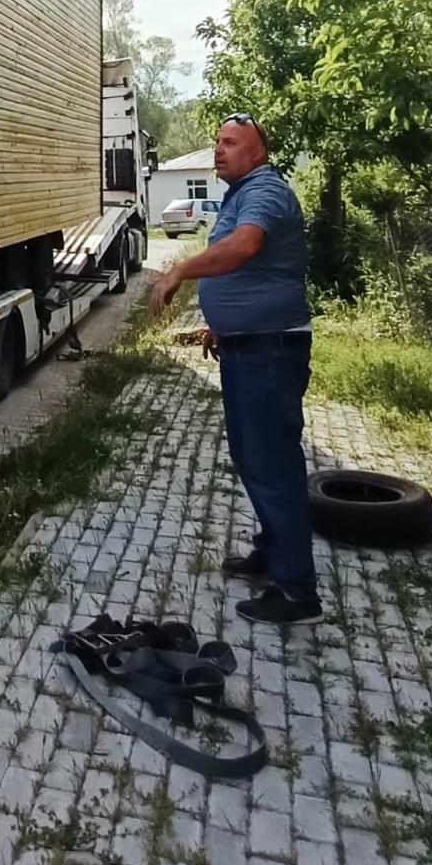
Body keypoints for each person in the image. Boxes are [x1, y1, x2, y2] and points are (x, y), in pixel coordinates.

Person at [152, 113, 320, 626]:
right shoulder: (242, 192)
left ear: (257, 153)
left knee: (272, 464)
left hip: (270, 351)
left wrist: (181, 269)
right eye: (217, 142)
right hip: (251, 344)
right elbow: (257, 270)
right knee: (255, 459)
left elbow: (245, 246)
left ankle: (298, 594)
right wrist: (224, 325)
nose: (218, 150)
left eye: (230, 142)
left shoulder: (265, 191)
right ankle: (273, 553)